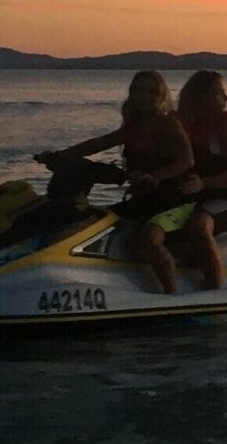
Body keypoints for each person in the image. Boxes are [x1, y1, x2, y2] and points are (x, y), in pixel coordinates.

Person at [38, 70, 197, 292]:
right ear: (131, 94)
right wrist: (62, 155)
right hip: (145, 199)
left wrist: (155, 176)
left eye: (151, 91)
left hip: (175, 200)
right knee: (96, 223)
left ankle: (172, 295)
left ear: (161, 95)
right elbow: (101, 142)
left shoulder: (168, 123)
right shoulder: (133, 125)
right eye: (139, 90)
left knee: (150, 238)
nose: (144, 96)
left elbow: (187, 161)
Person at [174, 69, 227, 293]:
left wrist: (203, 183)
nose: (226, 98)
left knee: (198, 226)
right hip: (187, 196)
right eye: (219, 92)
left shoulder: (226, 127)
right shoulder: (181, 125)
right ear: (201, 96)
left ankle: (215, 286)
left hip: (223, 198)